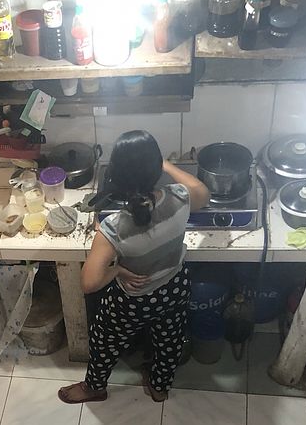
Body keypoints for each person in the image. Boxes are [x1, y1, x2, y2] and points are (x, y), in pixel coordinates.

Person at [58, 131, 209, 404]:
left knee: (105, 338)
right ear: (156, 169)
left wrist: (117, 269)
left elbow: (89, 283)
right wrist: (166, 164)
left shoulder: (114, 228)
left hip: (134, 298)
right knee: (170, 340)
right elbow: (202, 192)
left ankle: (95, 387)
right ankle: (159, 387)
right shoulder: (180, 197)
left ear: (117, 177)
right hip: (175, 287)